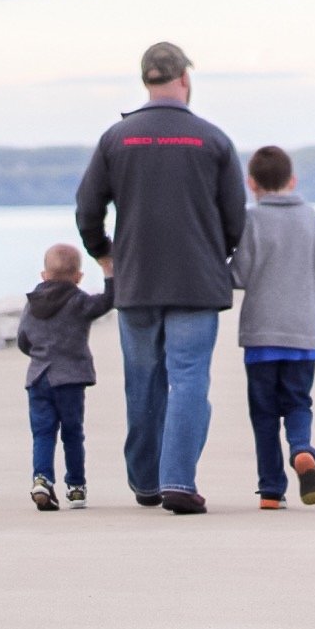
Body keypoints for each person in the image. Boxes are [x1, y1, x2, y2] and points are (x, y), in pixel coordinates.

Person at [76, 42, 246, 515]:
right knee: (189, 378)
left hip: (138, 282)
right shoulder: (211, 140)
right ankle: (179, 480)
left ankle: (146, 482)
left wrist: (104, 256)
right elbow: (236, 218)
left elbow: (88, 209)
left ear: (145, 81)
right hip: (195, 282)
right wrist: (218, 253)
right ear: (185, 79)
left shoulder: (117, 138)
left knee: (142, 380)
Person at [229, 146, 315, 509]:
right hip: (302, 333)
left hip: (261, 337)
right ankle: (302, 449)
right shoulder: (311, 218)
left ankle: (271, 490)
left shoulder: (252, 220)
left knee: (264, 413)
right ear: (293, 180)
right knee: (299, 402)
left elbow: (239, 274)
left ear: (250, 183)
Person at [16, 242, 115, 511]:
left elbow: (23, 340)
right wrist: (109, 271)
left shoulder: (31, 304)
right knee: (72, 434)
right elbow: (108, 301)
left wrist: (39, 354)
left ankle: (42, 479)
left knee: (43, 433)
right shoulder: (79, 301)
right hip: (70, 380)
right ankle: (75, 488)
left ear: (43, 275)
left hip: (38, 378)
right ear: (78, 277)